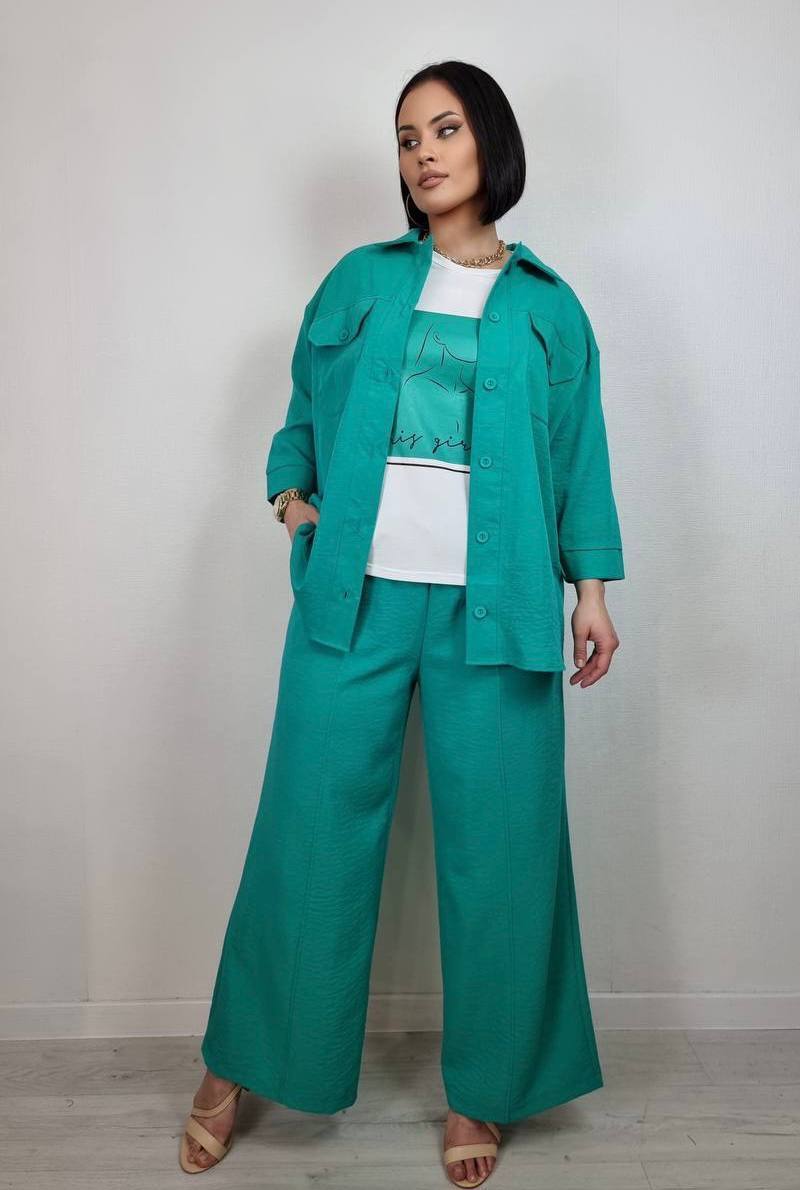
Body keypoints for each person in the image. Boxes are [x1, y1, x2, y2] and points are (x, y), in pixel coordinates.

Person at [179, 59, 624, 1188]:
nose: (423, 152)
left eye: (445, 129)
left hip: (500, 607)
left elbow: (579, 457)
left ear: (490, 144)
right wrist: (291, 499)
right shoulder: (361, 281)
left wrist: (591, 591)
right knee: (307, 839)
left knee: (504, 852)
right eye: (407, 136)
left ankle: (486, 1088)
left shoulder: (549, 307)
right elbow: (301, 414)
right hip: (354, 601)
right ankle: (237, 1065)